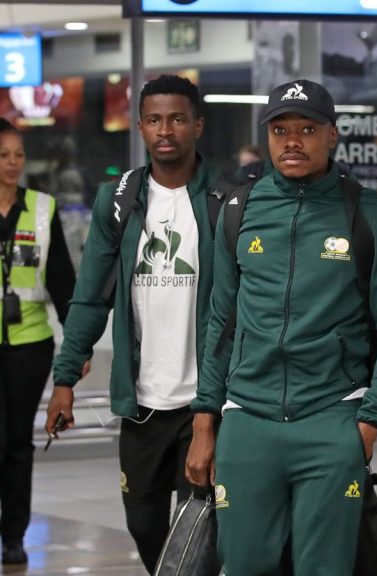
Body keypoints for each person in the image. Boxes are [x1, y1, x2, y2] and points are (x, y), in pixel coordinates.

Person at [185, 79, 377, 575]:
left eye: (307, 129)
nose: (293, 141)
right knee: (244, 565)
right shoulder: (237, 210)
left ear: (332, 135)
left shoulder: (368, 213)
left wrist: (370, 421)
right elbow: (220, 322)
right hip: (248, 419)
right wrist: (206, 422)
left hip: (331, 418)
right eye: (281, 130)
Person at [46, 75, 216, 575]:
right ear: (141, 127)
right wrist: (63, 379)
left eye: (178, 119)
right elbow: (90, 296)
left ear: (198, 126)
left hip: (202, 403)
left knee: (198, 527)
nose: (167, 130)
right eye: (156, 119)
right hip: (142, 402)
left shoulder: (223, 201)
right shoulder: (118, 200)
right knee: (144, 525)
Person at [0, 119, 75, 566]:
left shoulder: (43, 210)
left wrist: (75, 348)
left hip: (30, 345)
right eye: (4, 155)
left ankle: (14, 535)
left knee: (16, 442)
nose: (13, 163)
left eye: (18, 155)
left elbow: (63, 283)